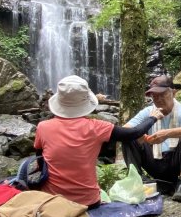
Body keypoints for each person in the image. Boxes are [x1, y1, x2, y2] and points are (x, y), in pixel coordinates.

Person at [34, 75, 159, 208]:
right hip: (88, 202)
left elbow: (40, 160)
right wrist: (152, 118)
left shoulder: (43, 127)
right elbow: (132, 134)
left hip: (53, 201)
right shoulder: (96, 126)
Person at [122, 75, 181, 204]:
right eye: (154, 96)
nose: (158, 99)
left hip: (178, 162)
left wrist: (167, 133)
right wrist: (143, 136)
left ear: (173, 92)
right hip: (155, 160)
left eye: (162, 94)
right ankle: (138, 180)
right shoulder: (149, 111)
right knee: (129, 136)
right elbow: (125, 129)